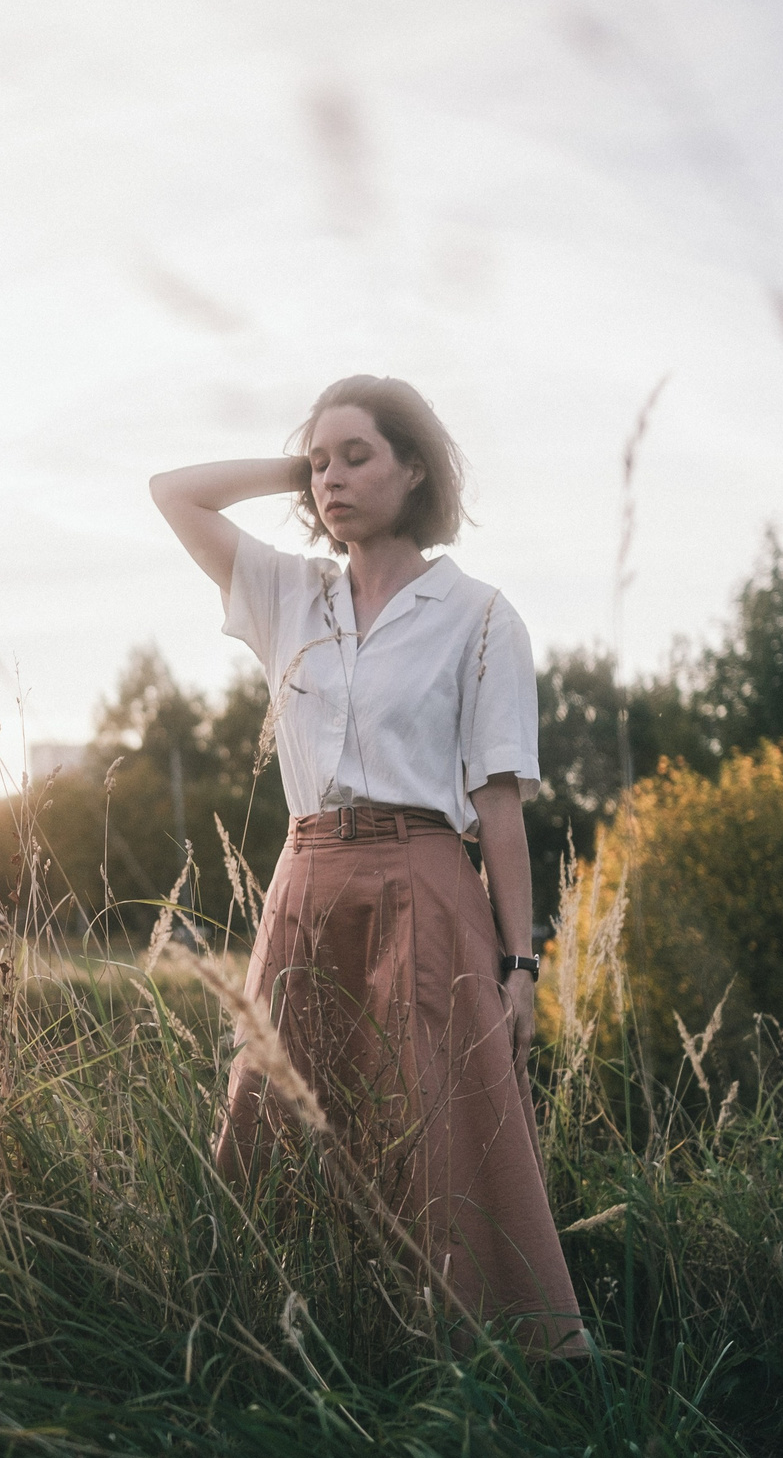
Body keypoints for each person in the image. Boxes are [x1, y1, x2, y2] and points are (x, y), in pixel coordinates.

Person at [149, 374, 587, 1355]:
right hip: (306, 884)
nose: (333, 479)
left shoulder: (475, 614)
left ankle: (463, 1352)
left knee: (437, 1120)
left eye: (358, 457)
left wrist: (522, 967)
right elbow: (171, 491)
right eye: (321, 462)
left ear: (416, 467)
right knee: (278, 1111)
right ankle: (277, 1341)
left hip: (428, 883)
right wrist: (296, 468)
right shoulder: (284, 592)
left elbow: (499, 806)